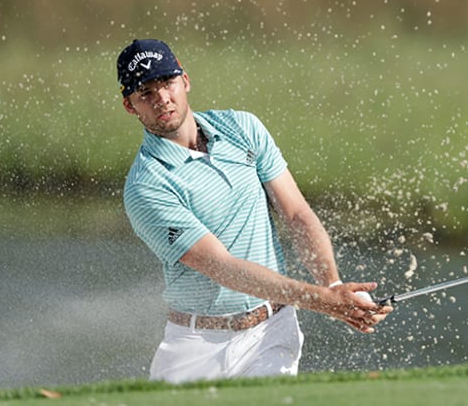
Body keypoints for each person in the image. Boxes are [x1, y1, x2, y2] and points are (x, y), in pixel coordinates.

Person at [116, 38, 392, 384]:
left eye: (168, 83)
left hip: (272, 332)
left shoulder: (241, 128)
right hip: (198, 346)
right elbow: (223, 267)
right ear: (130, 106)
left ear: (184, 79)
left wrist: (334, 285)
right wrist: (324, 300)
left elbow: (296, 214)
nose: (163, 99)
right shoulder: (147, 186)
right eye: (146, 93)